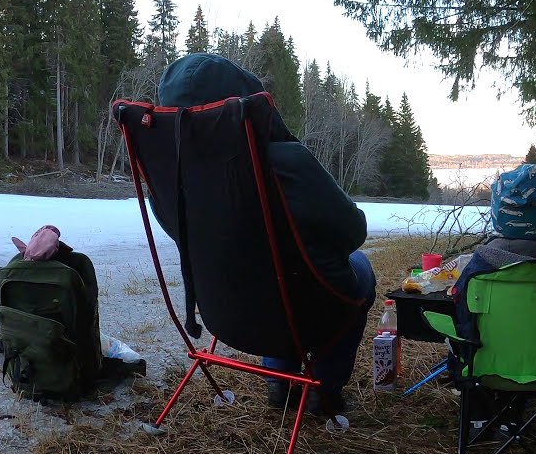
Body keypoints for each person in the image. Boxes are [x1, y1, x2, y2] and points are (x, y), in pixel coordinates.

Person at [155, 53, 376, 416]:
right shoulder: (285, 161)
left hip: (223, 314)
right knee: (359, 267)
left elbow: (179, 235)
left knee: (269, 271)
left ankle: (278, 382)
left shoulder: (170, 173)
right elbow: (352, 232)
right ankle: (323, 391)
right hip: (298, 311)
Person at [449, 163, 536, 434]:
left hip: (488, 366)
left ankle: (479, 415)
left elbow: (462, 309)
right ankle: (512, 411)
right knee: (532, 341)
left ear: (497, 214)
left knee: (463, 338)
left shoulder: (482, 263)